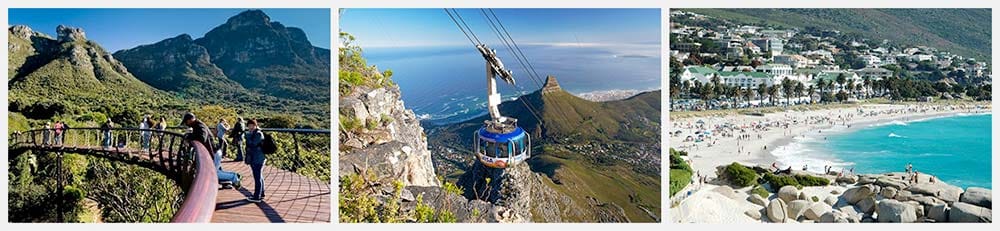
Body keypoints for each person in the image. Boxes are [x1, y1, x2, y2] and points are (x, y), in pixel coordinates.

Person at [245, 119, 266, 203]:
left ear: (255, 125)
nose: (250, 127)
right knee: (259, 176)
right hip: (256, 157)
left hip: (258, 158)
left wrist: (247, 136)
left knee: (257, 177)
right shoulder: (255, 133)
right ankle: (261, 193)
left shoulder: (258, 134)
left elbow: (252, 144)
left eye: (252, 125)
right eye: (249, 125)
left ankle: (257, 196)